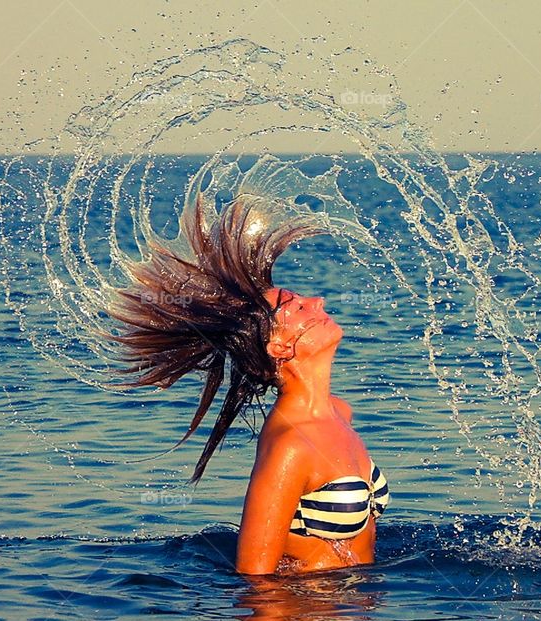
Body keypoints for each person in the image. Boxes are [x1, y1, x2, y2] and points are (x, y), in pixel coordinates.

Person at [105, 193, 389, 575]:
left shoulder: (340, 412)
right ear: (280, 346)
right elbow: (255, 580)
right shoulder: (291, 445)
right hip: (309, 617)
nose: (318, 301)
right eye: (298, 306)